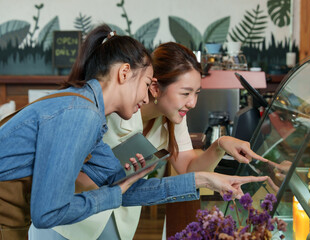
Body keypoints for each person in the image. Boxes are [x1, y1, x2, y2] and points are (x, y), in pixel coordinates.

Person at [30, 42, 270, 240]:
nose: (192, 103)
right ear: (154, 87)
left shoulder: (173, 118)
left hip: (117, 223)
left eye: (196, 94)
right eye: (185, 93)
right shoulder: (109, 109)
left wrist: (219, 146)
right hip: (69, 224)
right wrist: (118, 180)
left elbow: (187, 167)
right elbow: (72, 176)